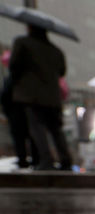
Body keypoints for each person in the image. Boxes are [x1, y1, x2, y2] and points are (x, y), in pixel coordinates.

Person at [9, 25, 72, 170]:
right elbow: (62, 72)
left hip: (32, 95)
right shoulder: (56, 51)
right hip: (53, 96)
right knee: (56, 130)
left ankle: (46, 160)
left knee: (37, 128)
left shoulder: (22, 43)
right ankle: (65, 159)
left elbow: (14, 66)